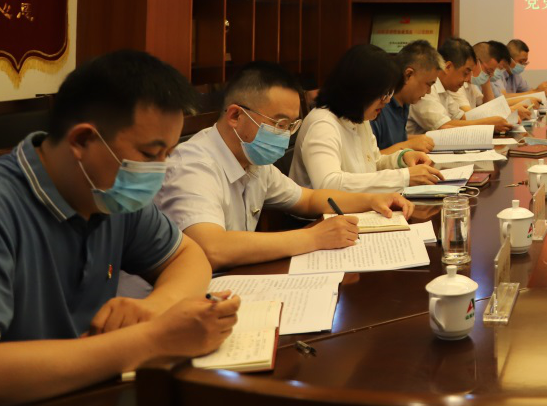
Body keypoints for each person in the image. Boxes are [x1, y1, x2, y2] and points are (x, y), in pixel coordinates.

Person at [0, 50, 239, 406]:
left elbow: (187, 255)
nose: (160, 170)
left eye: (168, 153)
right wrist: (153, 340)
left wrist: (155, 309)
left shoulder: (108, 194)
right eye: (150, 154)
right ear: (82, 141)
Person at [156, 61, 416, 270]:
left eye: (292, 125)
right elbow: (211, 248)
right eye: (279, 124)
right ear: (235, 115)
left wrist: (372, 200)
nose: (285, 134)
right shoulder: (194, 165)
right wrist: (313, 237)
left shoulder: (253, 160)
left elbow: (309, 199)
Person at [291, 45, 443, 192]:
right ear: (360, 89)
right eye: (384, 94)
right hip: (325, 211)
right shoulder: (323, 123)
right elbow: (329, 184)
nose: (387, 101)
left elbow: (373, 162)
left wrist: (402, 158)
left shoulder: (359, 118)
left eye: (390, 93)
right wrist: (404, 177)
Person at [408, 38, 511, 134]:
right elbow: (445, 126)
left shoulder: (446, 89)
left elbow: (461, 117)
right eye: (465, 73)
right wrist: (488, 124)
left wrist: (496, 119)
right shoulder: (426, 89)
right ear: (448, 67)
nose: (467, 79)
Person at [371, 40, 440, 156]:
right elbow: (370, 159)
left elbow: (393, 142)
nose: (429, 91)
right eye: (428, 84)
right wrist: (408, 145)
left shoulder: (405, 103)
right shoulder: (377, 104)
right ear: (408, 75)